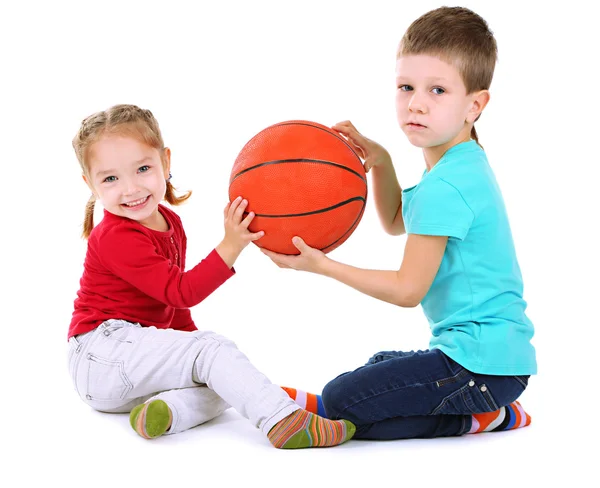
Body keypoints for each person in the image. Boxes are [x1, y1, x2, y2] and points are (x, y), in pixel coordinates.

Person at [263, 6, 537, 440]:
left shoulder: (446, 187)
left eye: (438, 90)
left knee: (342, 400)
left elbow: (408, 291)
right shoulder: (460, 164)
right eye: (406, 86)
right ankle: (494, 411)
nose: (416, 103)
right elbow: (395, 221)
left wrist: (321, 265)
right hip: (491, 363)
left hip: (479, 368)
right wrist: (381, 161)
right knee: (378, 367)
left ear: (475, 105)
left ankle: (483, 417)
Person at [66, 103, 355, 448]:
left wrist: (203, 356)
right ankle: (284, 420)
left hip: (127, 369)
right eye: (111, 178)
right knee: (215, 355)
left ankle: (167, 411)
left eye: (142, 168)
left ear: (165, 162)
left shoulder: (171, 223)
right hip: (102, 354)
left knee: (223, 377)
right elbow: (180, 292)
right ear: (90, 183)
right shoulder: (115, 236)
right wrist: (231, 245)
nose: (130, 189)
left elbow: (175, 314)